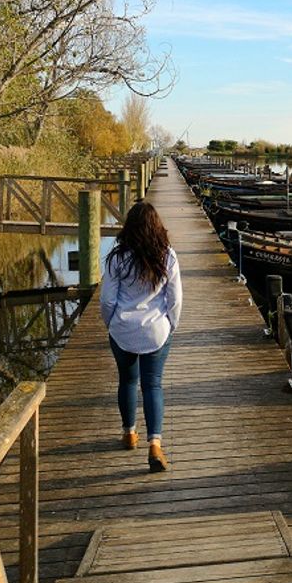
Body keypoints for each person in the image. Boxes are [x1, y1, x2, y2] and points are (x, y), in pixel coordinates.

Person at [99, 201, 183, 472]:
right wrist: (172, 324)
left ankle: (129, 433)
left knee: (127, 380)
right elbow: (175, 298)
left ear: (129, 228)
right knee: (153, 385)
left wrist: (110, 324)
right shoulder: (167, 255)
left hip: (122, 328)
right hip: (156, 330)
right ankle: (155, 445)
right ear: (156, 227)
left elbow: (107, 299)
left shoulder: (116, 257)